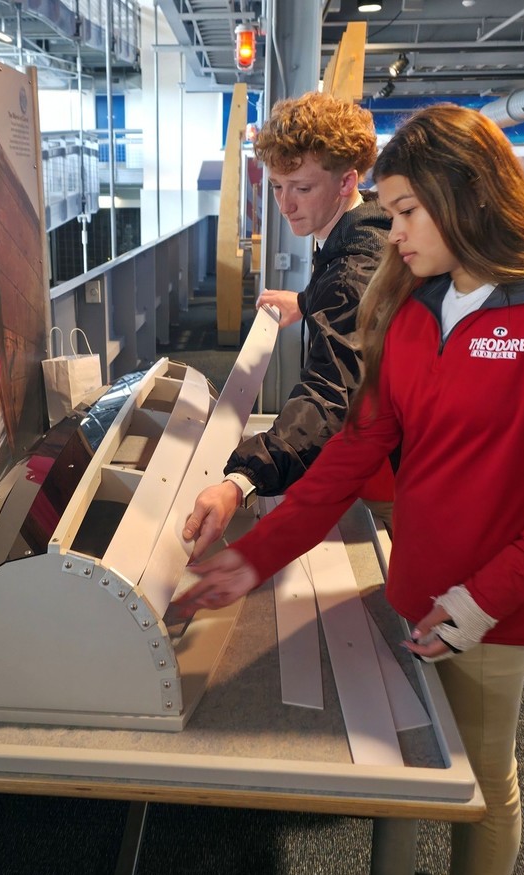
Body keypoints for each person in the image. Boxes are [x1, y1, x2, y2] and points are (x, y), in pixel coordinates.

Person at [176, 103, 524, 875]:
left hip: (498, 605)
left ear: (468, 198)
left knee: (483, 772)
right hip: (418, 580)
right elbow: (356, 448)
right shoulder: (409, 303)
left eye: (409, 211)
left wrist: (480, 603)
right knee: (430, 759)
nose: (395, 231)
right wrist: (254, 556)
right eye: (389, 209)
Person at [183, 91, 394, 559]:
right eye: (277, 186)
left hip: (394, 476)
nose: (284, 204)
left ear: (346, 182)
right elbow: (357, 307)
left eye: (301, 188)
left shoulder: (352, 270)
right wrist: (305, 300)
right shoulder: (363, 228)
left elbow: (329, 393)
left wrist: (243, 480)